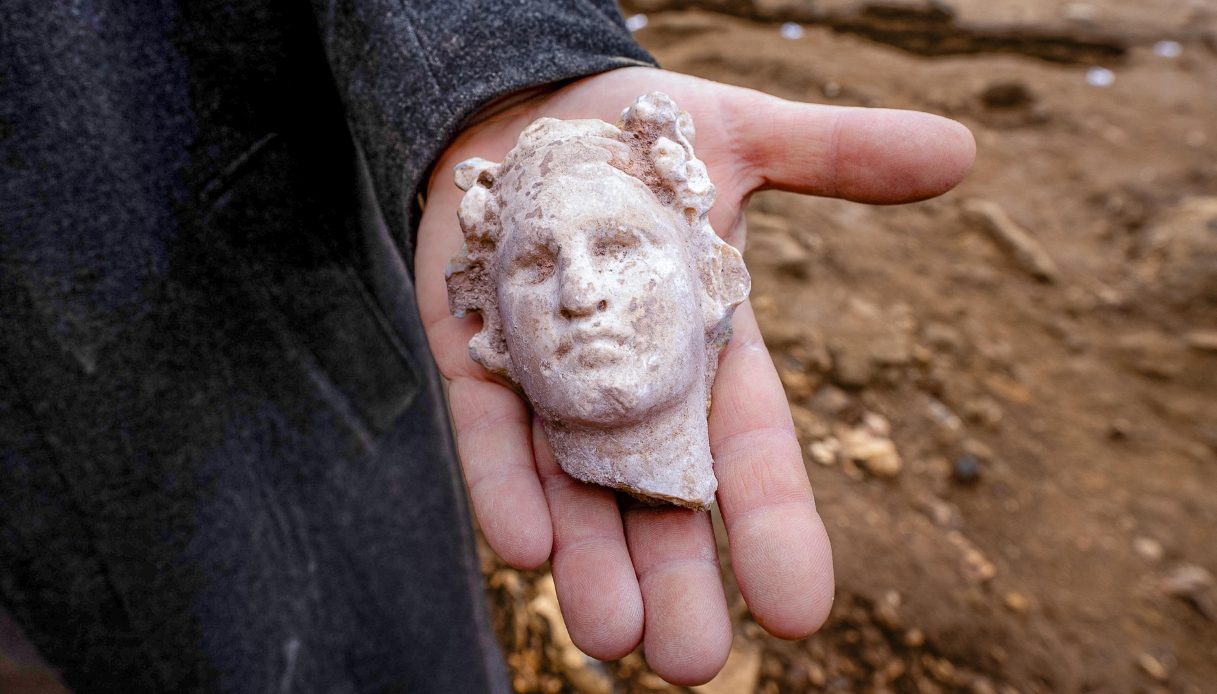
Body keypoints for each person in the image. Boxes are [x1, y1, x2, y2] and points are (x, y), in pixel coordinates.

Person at [0, 1, 974, 691]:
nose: (581, 294)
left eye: (619, 248)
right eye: (537, 263)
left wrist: (502, 53)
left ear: (712, 280)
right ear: (495, 332)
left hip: (254, 396)